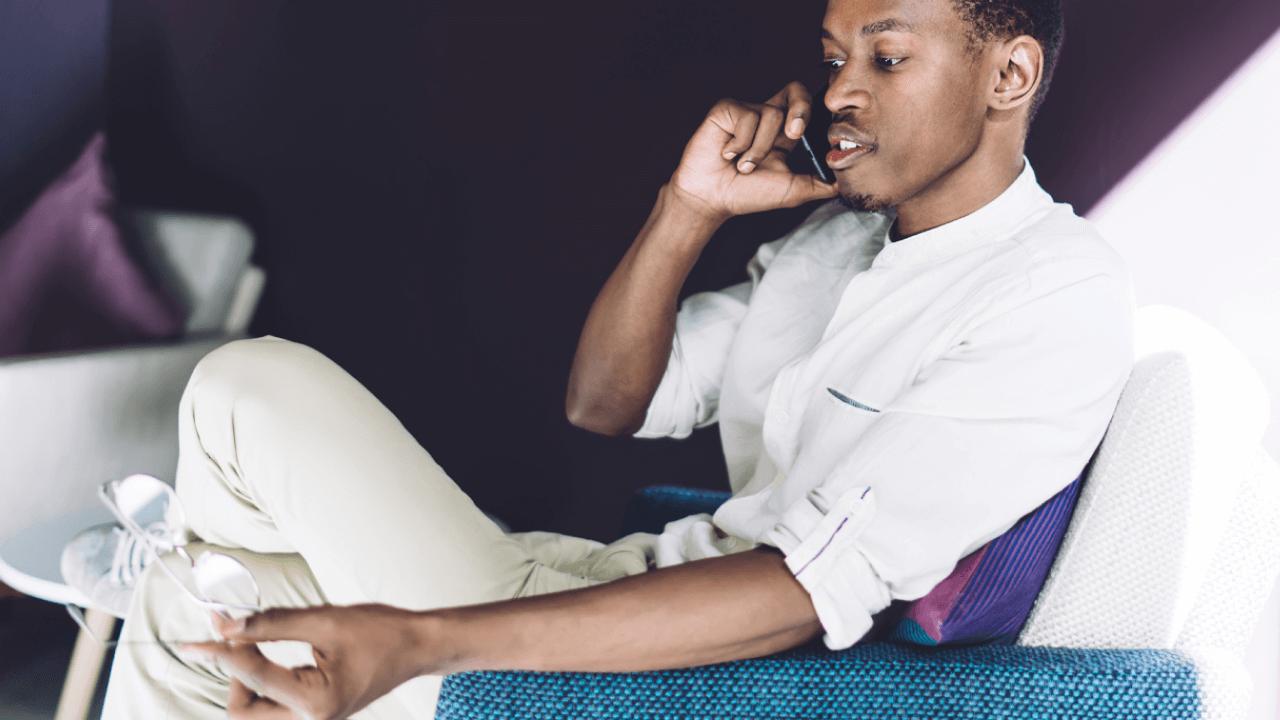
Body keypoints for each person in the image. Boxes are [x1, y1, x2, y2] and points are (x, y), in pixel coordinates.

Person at [99, 0, 1134, 716]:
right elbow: (603, 401)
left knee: (245, 388)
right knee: (187, 603)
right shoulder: (836, 244)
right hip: (609, 575)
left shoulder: (1047, 294)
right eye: (831, 56)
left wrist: (424, 642)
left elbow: (793, 596)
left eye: (885, 56)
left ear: (1008, 74)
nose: (840, 93)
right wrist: (686, 209)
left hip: (663, 679)